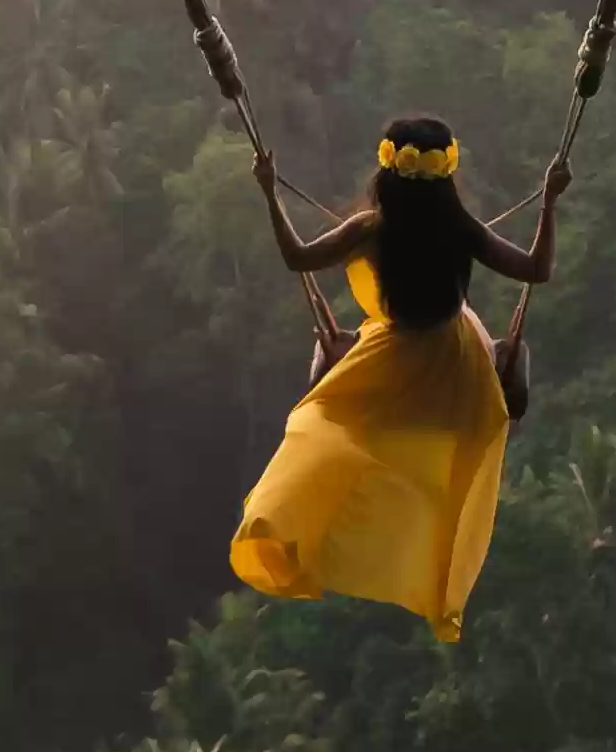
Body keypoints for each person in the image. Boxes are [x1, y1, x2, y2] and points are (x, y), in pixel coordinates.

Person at [230, 114, 570, 641]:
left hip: (392, 361)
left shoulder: (371, 229)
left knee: (324, 388)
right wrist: (548, 203)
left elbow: (297, 257)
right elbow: (536, 269)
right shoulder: (460, 228)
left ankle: (307, 530)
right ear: (447, 174)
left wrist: (270, 193)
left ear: (387, 170)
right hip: (460, 368)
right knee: (511, 359)